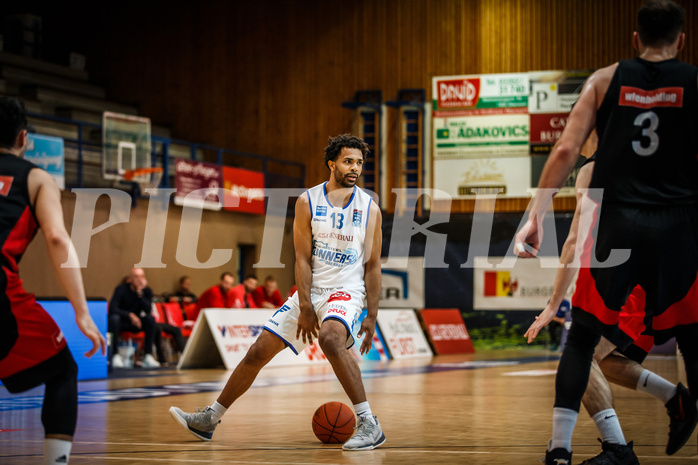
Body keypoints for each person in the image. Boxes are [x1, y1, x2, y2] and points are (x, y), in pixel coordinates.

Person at [514, 2, 698, 463]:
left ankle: (559, 453)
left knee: (580, 340)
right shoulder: (694, 81)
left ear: (634, 39)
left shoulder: (605, 79)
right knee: (693, 339)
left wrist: (535, 213)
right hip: (678, 227)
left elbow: (565, 149)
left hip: (621, 226)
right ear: (682, 39)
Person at [169, 133, 385, 450]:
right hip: (312, 291)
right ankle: (210, 420)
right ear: (332, 163)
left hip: (347, 291)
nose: (354, 168)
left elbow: (374, 265)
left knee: (329, 338)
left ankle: (369, 422)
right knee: (258, 351)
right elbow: (300, 258)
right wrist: (307, 305)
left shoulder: (370, 208)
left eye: (359, 163)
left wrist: (373, 315)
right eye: (348, 161)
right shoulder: (307, 201)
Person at [524, 155, 697, 463]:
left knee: (582, 356)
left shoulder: (595, 167)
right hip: (652, 272)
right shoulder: (645, 155)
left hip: (631, 282)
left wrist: (553, 304)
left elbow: (575, 239)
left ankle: (612, 448)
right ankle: (675, 399)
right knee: (605, 362)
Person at [0, 96, 106, 465]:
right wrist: (82, 313)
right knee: (63, 370)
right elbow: (58, 239)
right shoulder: (35, 177)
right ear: (23, 137)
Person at [108, 267, 160, 368]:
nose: (139, 279)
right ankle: (115, 356)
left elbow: (148, 310)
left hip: (136, 324)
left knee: (150, 320)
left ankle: (147, 356)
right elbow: (113, 308)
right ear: (130, 279)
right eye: (136, 277)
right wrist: (130, 315)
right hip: (122, 322)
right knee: (114, 319)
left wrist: (140, 294)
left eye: (142, 277)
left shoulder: (147, 291)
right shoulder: (121, 289)